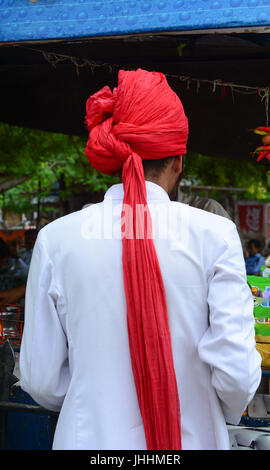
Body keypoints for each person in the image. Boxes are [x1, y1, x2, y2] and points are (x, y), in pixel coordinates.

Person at [19, 69, 261, 450]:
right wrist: (214, 409)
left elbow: (40, 380)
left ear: (115, 155)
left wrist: (97, 401)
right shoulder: (214, 234)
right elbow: (235, 373)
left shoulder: (55, 240)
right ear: (178, 160)